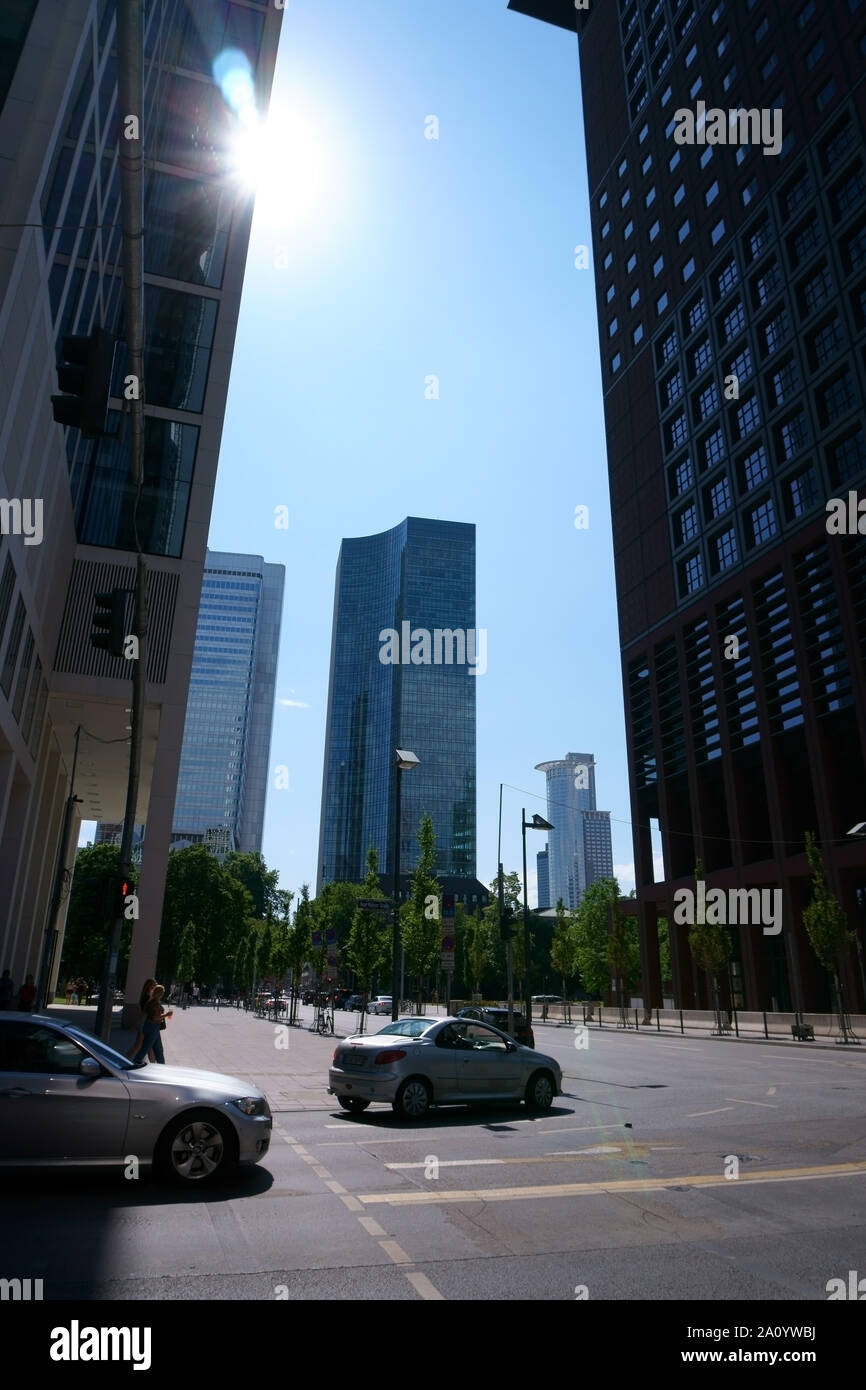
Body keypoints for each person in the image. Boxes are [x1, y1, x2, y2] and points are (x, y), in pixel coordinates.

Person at [131, 985, 172, 1065]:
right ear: (160, 993)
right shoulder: (154, 1003)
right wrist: (166, 1015)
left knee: (158, 1050)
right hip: (152, 1028)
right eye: (162, 992)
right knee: (146, 1048)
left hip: (151, 1027)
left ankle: (162, 1066)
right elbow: (155, 1018)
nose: (163, 994)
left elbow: (144, 1014)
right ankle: (136, 1063)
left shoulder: (151, 1001)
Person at [128, 978, 157, 1062]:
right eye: (153, 985)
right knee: (138, 1045)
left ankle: (154, 1066)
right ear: (149, 986)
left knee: (148, 1047)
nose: (154, 986)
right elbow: (143, 1013)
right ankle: (125, 1060)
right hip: (144, 1024)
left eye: (155, 985)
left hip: (145, 1023)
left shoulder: (147, 996)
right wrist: (136, 1024)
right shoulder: (147, 997)